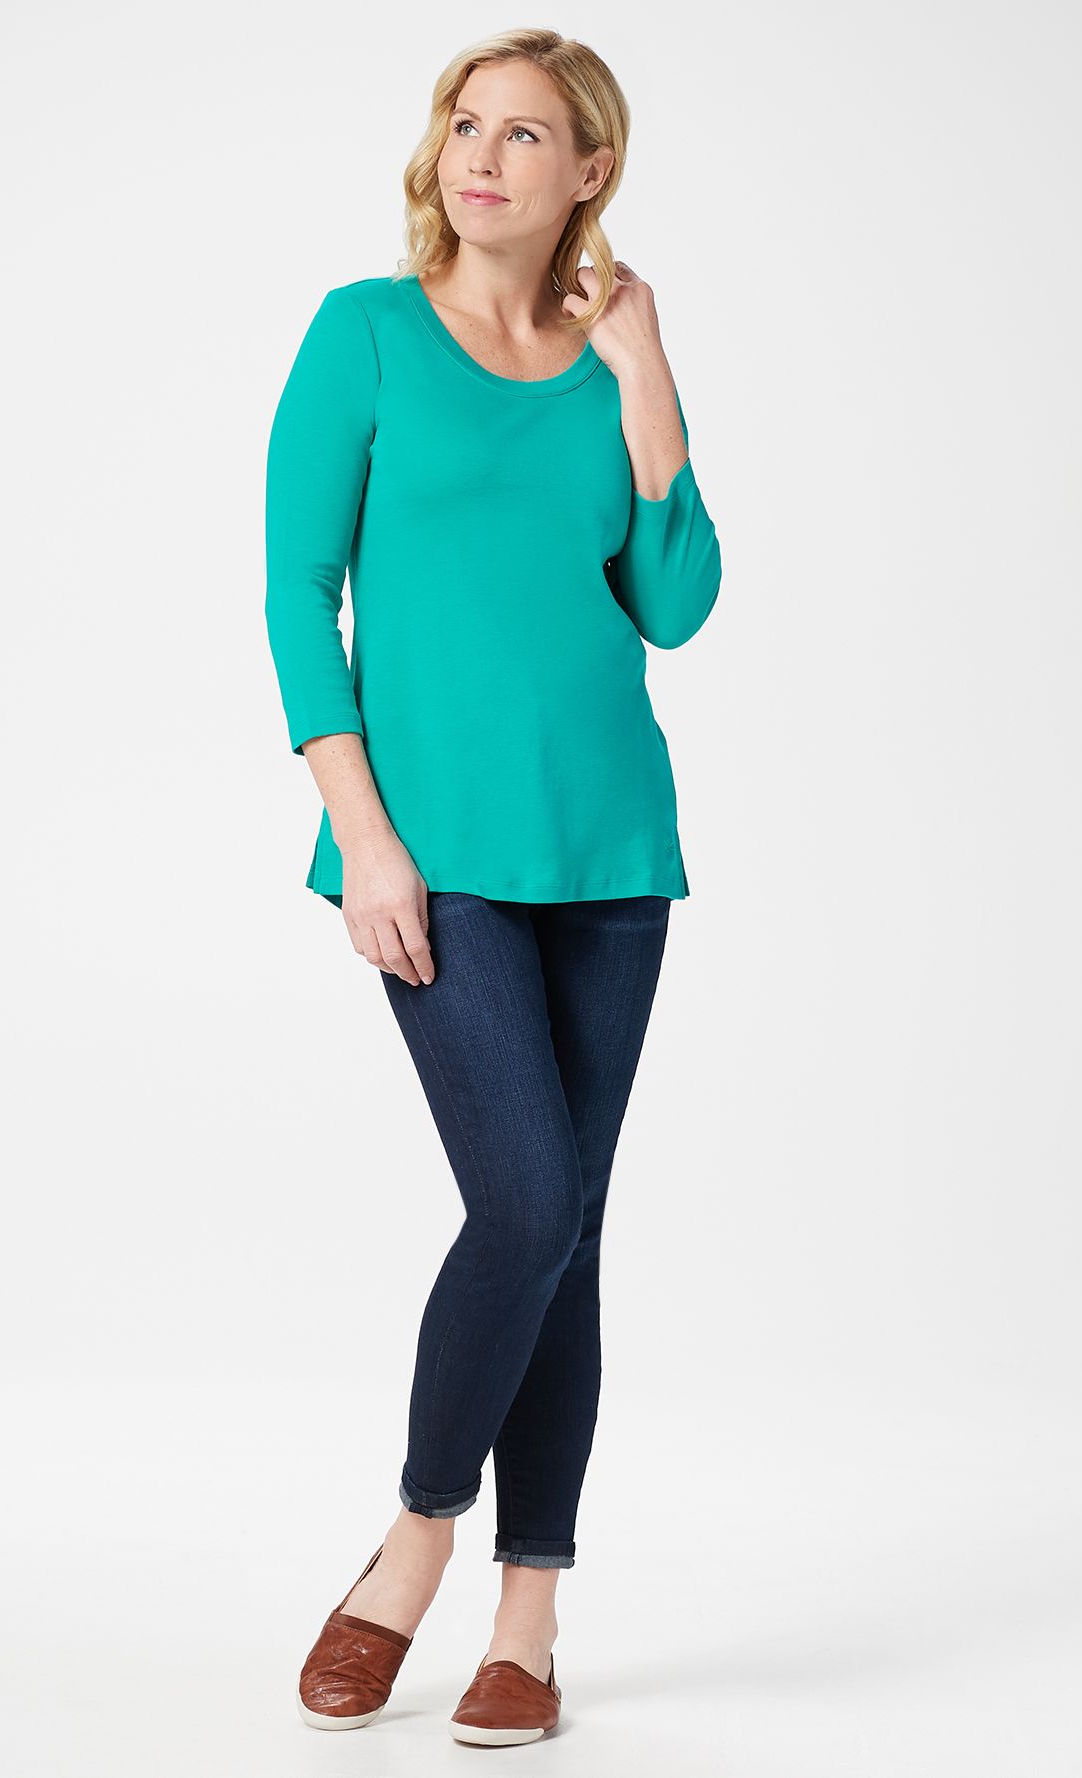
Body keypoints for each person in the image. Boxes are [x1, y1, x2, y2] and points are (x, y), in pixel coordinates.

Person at [263, 28, 723, 1748]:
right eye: (468, 123)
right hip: (434, 854)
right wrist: (363, 835)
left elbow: (676, 600)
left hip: (607, 851)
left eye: (526, 134)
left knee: (566, 1227)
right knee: (525, 1202)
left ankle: (531, 1615)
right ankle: (415, 1543)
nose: (482, 155)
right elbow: (296, 588)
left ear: (589, 170)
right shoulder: (367, 333)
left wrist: (647, 365)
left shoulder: (610, 366)